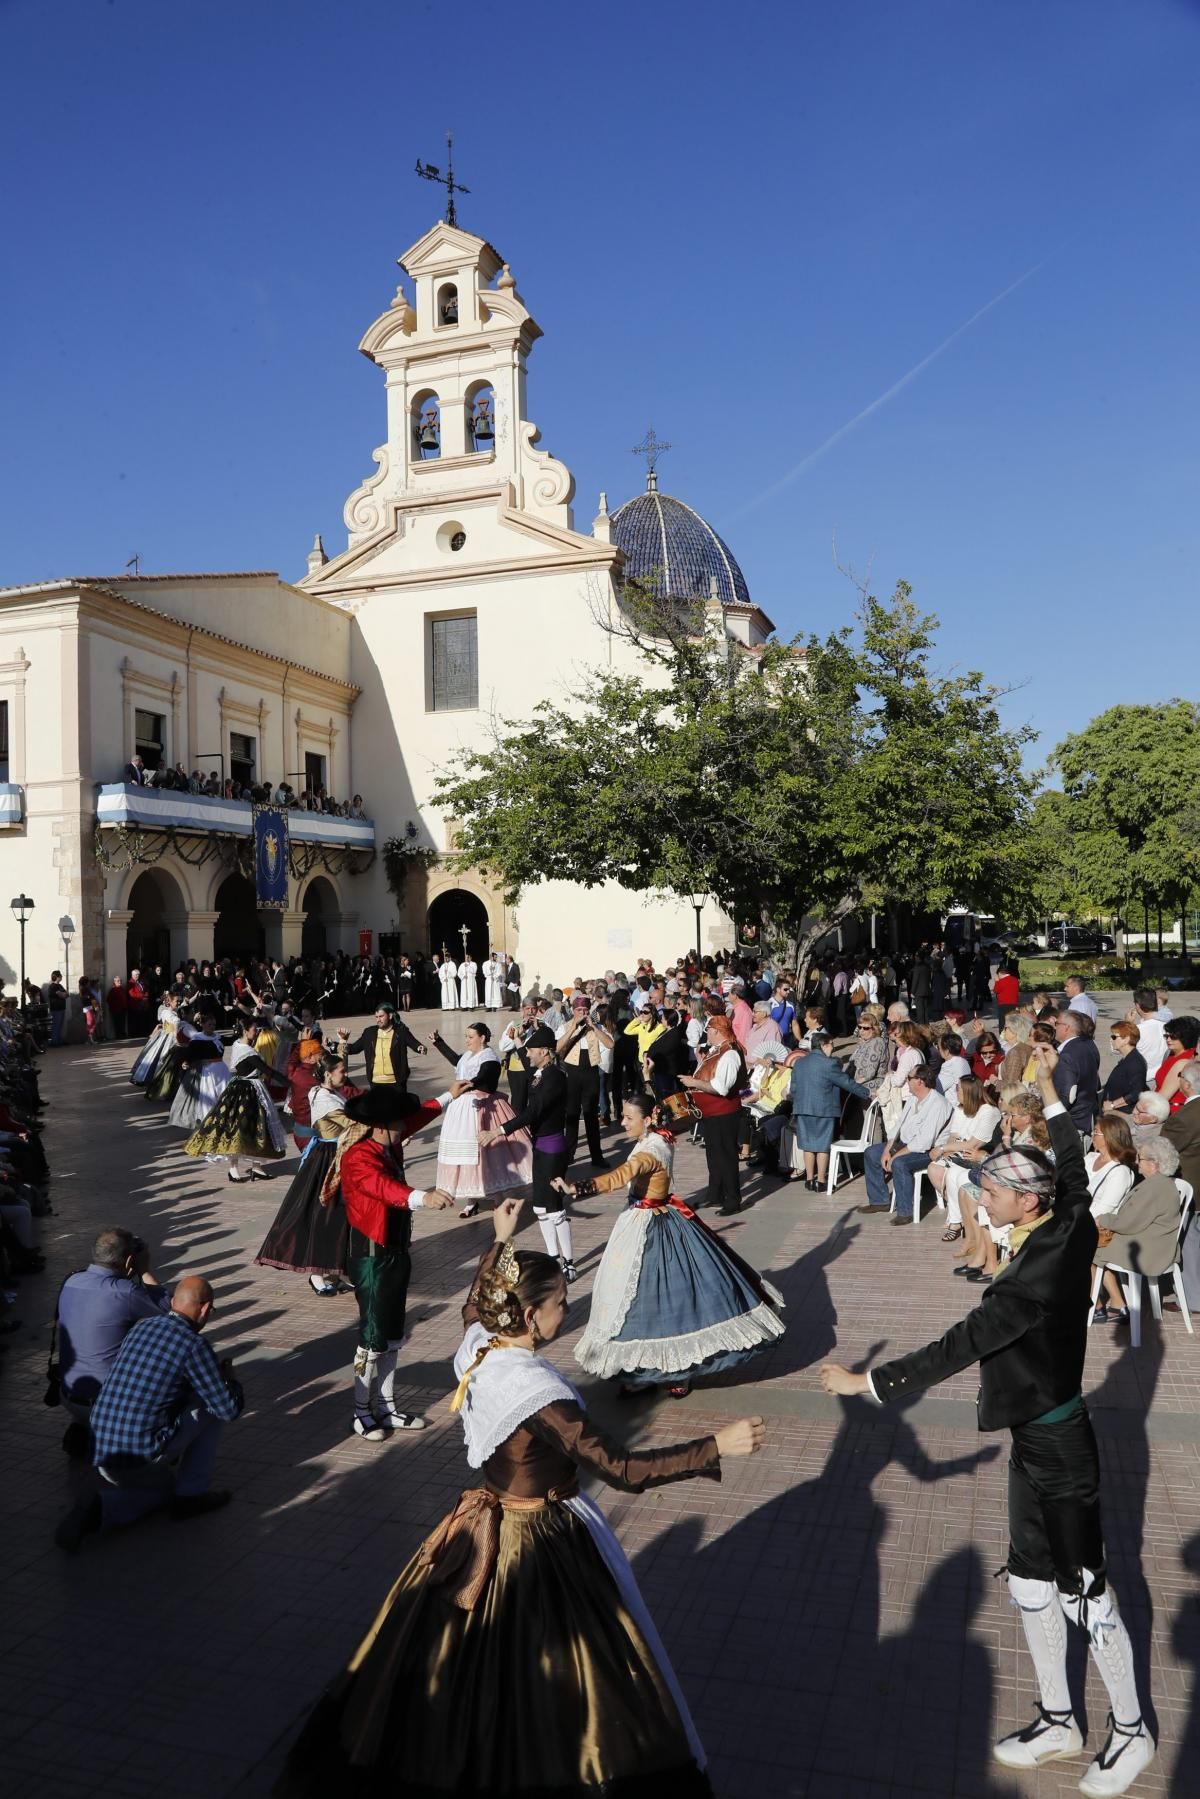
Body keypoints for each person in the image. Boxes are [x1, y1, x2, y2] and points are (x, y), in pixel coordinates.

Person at [274, 1195, 763, 1799]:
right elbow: (623, 1468)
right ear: (530, 1315)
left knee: (459, 1652)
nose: (566, 1310)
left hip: (484, 1517)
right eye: (559, 1303)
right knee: (567, 1666)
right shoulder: (539, 1394)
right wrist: (714, 1446)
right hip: (541, 1536)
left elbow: (473, 1309)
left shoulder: (481, 1350)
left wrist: (500, 1242)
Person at [822, 1044, 1155, 1795]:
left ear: (1022, 1204)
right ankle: (1059, 1717)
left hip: (1061, 1443)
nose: (984, 1197)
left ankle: (1131, 1730)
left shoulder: (1026, 1285)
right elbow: (1069, 1162)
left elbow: (954, 1347)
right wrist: (1049, 1088)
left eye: (993, 1193)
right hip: (1032, 1441)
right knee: (1033, 1583)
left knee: (1088, 1589)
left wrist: (866, 1381)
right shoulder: (1065, 1218)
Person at [559, 1093, 784, 1397]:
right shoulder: (657, 1138)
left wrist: (578, 1187)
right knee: (634, 1299)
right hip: (641, 1218)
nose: (622, 1122)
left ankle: (676, 1372)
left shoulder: (651, 1150)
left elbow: (621, 1175)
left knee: (660, 1300)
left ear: (648, 1119)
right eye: (623, 1116)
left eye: (628, 1117)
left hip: (653, 1227)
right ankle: (640, 1371)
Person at [54, 1275, 245, 1553]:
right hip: (138, 1456)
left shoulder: (143, 1327)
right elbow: (228, 1409)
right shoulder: (193, 1345)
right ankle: (185, 1496)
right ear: (204, 1309)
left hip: (100, 1448)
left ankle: (105, 1501)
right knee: (211, 1408)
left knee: (159, 1478)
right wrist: (229, 1380)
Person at [326, 1087, 454, 1439]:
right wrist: (422, 1197)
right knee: (371, 1337)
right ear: (380, 1126)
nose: (404, 1126)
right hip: (370, 1255)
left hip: (394, 1249)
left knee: (393, 1335)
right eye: (397, 1121)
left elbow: (416, 1118)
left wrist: (447, 1096)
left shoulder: (388, 1142)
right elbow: (381, 1187)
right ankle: (361, 1411)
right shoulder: (358, 1157)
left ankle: (386, 1406)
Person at [55, 1229, 172, 1454]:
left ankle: (84, 1429)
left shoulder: (71, 1280)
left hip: (68, 1393)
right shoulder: (125, 1292)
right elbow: (172, 1314)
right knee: (170, 1375)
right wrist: (145, 1270)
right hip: (106, 1404)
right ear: (129, 1260)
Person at [256, 1053, 361, 1294]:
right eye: (342, 1071)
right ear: (327, 1074)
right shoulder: (325, 1099)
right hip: (328, 1159)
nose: (345, 1075)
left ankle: (337, 1270)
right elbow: (352, 1125)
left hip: (334, 1155)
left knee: (338, 1216)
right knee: (325, 1215)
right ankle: (317, 1274)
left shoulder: (324, 1091)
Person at [481, 1023, 576, 1278]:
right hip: (540, 1146)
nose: (528, 1054)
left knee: (554, 1207)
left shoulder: (555, 1077)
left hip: (553, 1148)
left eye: (532, 1050)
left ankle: (568, 1261)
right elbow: (529, 1102)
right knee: (541, 1209)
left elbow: (534, 1111)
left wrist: (499, 1131)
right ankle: (553, 1258)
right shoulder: (542, 1072)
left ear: (545, 1052)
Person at [430, 1022, 533, 1219]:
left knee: (485, 1154)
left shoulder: (489, 1058)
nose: (467, 1040)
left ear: (482, 1038)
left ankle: (498, 1199)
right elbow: (456, 1060)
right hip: (461, 1110)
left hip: (482, 1108)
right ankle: (472, 1200)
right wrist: (439, 1042)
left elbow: (486, 1077)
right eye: (466, 1036)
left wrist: (470, 1084)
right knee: (465, 1155)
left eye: (470, 1036)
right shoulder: (469, 1056)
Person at [1093, 1135, 1185, 1325]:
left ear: (1154, 1164)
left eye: (1140, 1158)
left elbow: (1129, 1223)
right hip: (1150, 1241)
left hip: (1149, 1250)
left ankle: (1100, 1306)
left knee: (1083, 1247)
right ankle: (1110, 1304)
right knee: (1088, 1245)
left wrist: (1103, 1219)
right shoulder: (1158, 1184)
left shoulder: (1155, 1188)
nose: (1137, 1162)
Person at [183, 1017, 287, 1183]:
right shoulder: (248, 1052)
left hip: (241, 1088)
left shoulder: (239, 1044)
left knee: (255, 1128)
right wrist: (291, 1084)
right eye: (254, 1029)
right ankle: (234, 1169)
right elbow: (268, 1071)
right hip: (248, 1091)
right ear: (246, 1031)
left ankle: (256, 1167)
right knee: (241, 1129)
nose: (257, 1032)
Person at [858, 1062, 952, 1224]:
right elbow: (897, 1127)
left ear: (920, 1081)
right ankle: (879, 1201)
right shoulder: (912, 1100)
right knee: (872, 1153)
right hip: (905, 1144)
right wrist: (888, 1150)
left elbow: (924, 1141)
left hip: (928, 1151)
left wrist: (895, 1157)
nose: (906, 1082)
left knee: (900, 1163)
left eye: (909, 1078)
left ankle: (905, 1211)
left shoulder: (938, 1103)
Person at [679, 1013, 746, 1216]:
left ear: (716, 1031)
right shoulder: (717, 1050)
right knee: (713, 1156)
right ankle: (715, 1194)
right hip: (711, 1113)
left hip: (723, 1113)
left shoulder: (730, 1053)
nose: (706, 1032)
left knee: (726, 1157)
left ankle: (733, 1200)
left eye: (708, 1029)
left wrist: (694, 1083)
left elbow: (721, 1087)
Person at [786, 1032, 870, 1191]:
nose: (833, 1048)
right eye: (831, 1044)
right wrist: (867, 1093)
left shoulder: (799, 1063)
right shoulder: (829, 1064)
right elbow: (846, 1083)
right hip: (823, 1109)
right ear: (824, 1045)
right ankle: (821, 1181)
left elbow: (794, 1088)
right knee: (822, 1146)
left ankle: (810, 1180)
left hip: (803, 1109)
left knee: (808, 1146)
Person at [925, 1075, 1003, 1243]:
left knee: (953, 1174)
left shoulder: (988, 1111)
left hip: (975, 1155)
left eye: (958, 1088)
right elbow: (953, 1135)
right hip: (959, 1153)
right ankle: (959, 1214)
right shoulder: (961, 1109)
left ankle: (955, 1221)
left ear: (968, 1091)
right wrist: (947, 1150)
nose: (955, 1091)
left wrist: (944, 1148)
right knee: (934, 1168)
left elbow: (973, 1144)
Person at [337, 1002, 425, 1091]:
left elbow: (413, 1042)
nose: (378, 1020)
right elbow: (354, 1049)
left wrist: (419, 1047)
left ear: (390, 1016)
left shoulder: (401, 1032)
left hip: (396, 1083)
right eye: (376, 1017)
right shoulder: (369, 1033)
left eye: (381, 1016)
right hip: (376, 1083)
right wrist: (339, 1042)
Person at [167, 1010, 230, 1129]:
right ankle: (210, 1121)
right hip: (208, 1072)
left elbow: (231, 1040)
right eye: (209, 1024)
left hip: (222, 1071)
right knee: (210, 1097)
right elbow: (190, 1054)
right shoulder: (197, 1039)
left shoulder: (218, 1037)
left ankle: (224, 1119)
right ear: (202, 1024)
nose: (212, 1027)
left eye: (214, 1025)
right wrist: (186, 1062)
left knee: (224, 1095)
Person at [1052, 1008, 1101, 1136]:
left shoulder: (1068, 1055)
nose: (1054, 1027)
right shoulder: (1089, 1045)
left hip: (1073, 1122)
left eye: (1057, 1024)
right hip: (1088, 1114)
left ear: (1066, 1028)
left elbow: (1066, 1096)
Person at [1084, 1114, 1137, 1219]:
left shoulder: (1120, 1173)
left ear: (1109, 1138)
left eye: (1096, 1132)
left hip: (1090, 1224)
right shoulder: (1090, 1158)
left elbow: (1103, 1210)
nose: (1092, 1134)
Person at [1163, 1058, 1200, 1196]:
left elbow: (1161, 1153)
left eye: (1180, 1076)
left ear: (1187, 1085)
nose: (1179, 1079)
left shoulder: (1181, 1119)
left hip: (1187, 1192)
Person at [1152, 1014, 1198, 1113]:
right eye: (1166, 1036)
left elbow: (1163, 1097)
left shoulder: (1185, 1061)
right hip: (1159, 1104)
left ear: (1185, 1037)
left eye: (1173, 1036)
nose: (1168, 1039)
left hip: (1170, 1112)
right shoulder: (1171, 1054)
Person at [1099, 1021, 1147, 1116]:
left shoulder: (1135, 1062)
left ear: (1126, 1039)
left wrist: (1113, 1105)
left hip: (1121, 1113)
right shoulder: (1128, 1058)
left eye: (1114, 1037)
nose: (1111, 1040)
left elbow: (1136, 1092)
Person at [1128, 989, 1167, 1081]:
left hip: (1143, 1078)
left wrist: (1126, 1024)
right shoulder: (1167, 1026)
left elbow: (1118, 1048)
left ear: (1137, 1005)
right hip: (1163, 1076)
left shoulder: (1138, 1030)